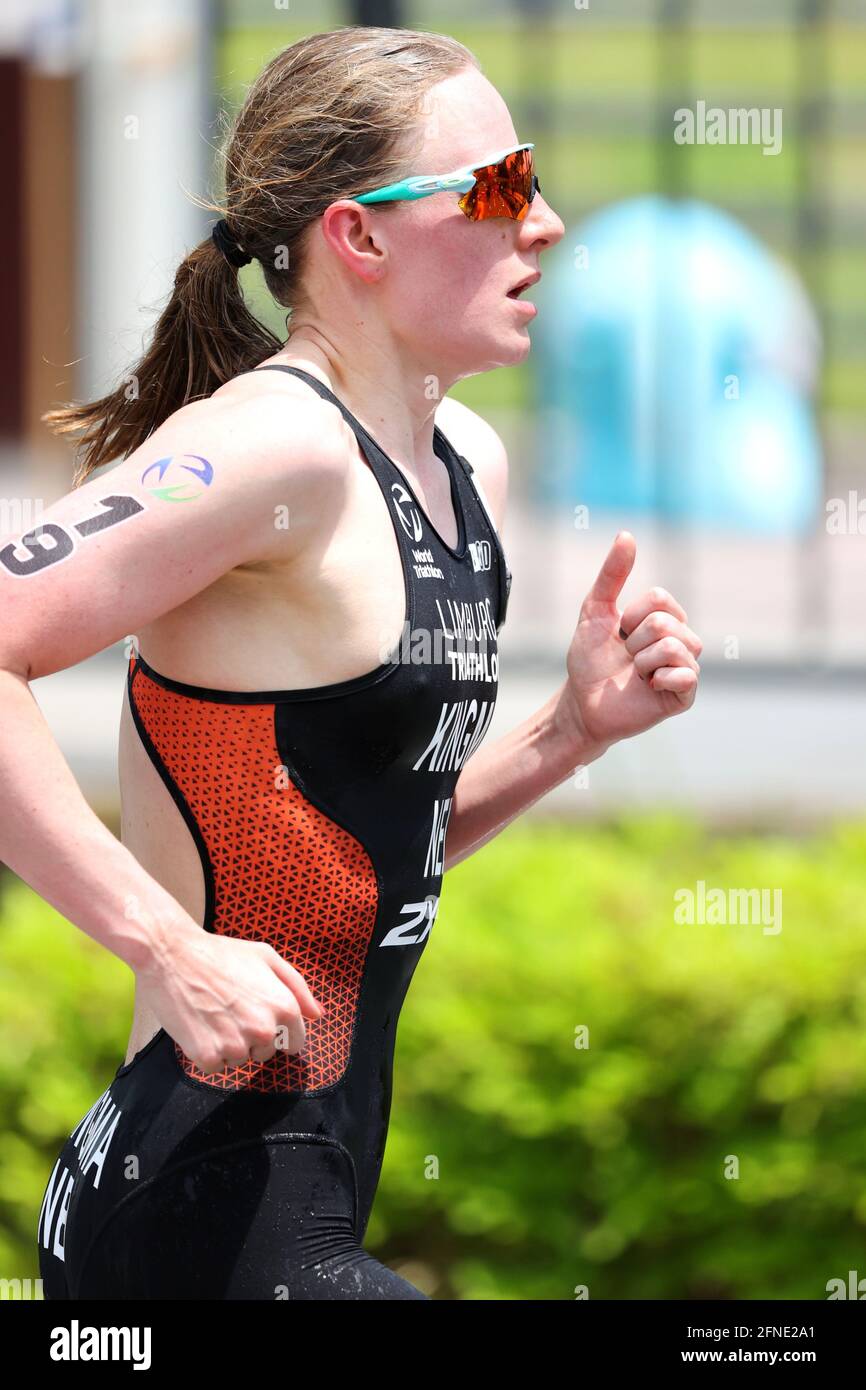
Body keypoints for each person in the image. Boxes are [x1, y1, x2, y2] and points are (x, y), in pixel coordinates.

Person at [5, 26, 700, 1300]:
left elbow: (363, 852)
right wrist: (164, 945)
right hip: (191, 1202)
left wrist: (570, 735)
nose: (541, 223)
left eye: (531, 178)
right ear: (360, 237)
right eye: (496, 187)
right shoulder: (276, 453)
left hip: (309, 1183)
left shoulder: (463, 467)